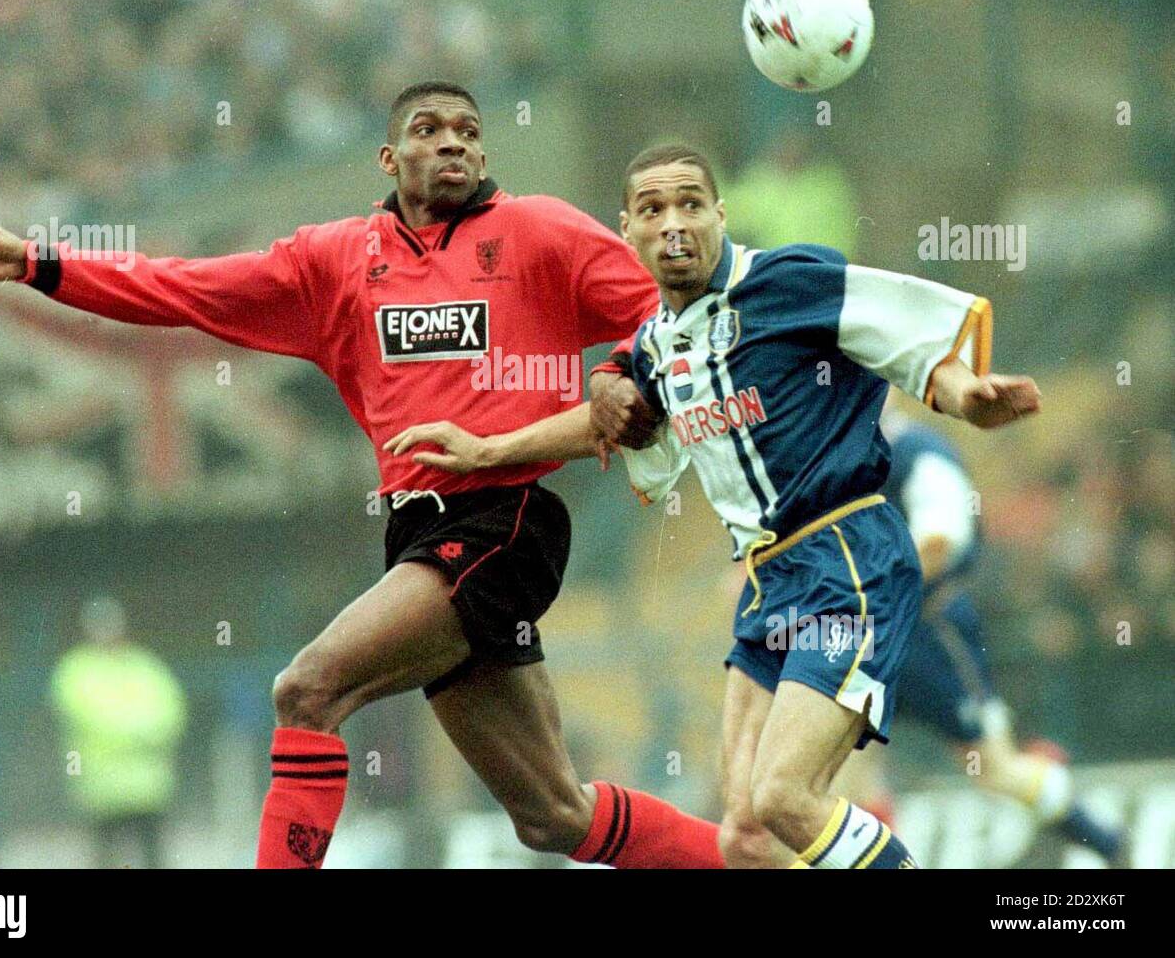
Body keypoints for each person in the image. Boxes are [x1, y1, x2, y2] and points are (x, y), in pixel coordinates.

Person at [0, 82, 724, 869]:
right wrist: (36, 263)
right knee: (553, 815)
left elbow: (677, 311)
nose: (451, 141)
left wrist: (621, 369)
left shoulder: (540, 231)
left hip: (503, 520)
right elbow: (183, 288)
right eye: (427, 128)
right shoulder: (333, 262)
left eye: (467, 130)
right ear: (388, 155)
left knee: (307, 690)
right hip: (418, 529)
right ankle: (758, 864)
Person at [385, 142, 1042, 869]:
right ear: (627, 231)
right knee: (744, 837)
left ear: (721, 215)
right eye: (654, 209)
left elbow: (902, 341)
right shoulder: (656, 345)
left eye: (692, 204)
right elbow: (606, 423)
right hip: (768, 580)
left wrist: (964, 397)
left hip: (846, 559)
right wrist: (485, 450)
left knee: (785, 797)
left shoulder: (789, 280)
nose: (675, 223)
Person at [832, 399, 1126, 866]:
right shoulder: (834, 458)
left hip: (927, 635)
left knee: (993, 767)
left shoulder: (919, 454)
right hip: (860, 637)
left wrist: (869, 593)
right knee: (846, 770)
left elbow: (941, 543)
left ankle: (1103, 840)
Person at [50, 597, 187, 869]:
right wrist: (139, 731)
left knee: (153, 858)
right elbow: (85, 714)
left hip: (148, 788)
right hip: (102, 791)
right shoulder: (75, 669)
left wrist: (138, 729)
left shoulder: (144, 666)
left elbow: (171, 708)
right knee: (105, 858)